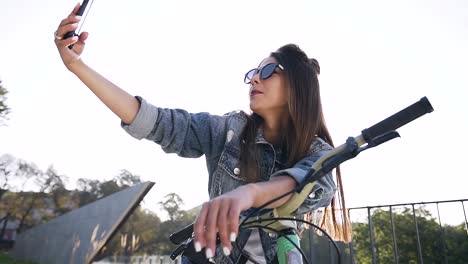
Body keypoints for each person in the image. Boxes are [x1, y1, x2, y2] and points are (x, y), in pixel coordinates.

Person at [54, 4, 351, 263]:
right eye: (253, 73)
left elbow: (309, 180)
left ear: (298, 86)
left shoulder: (319, 152)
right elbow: (153, 120)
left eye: (269, 69)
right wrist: (76, 66)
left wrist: (249, 193)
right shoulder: (227, 130)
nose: (255, 78)